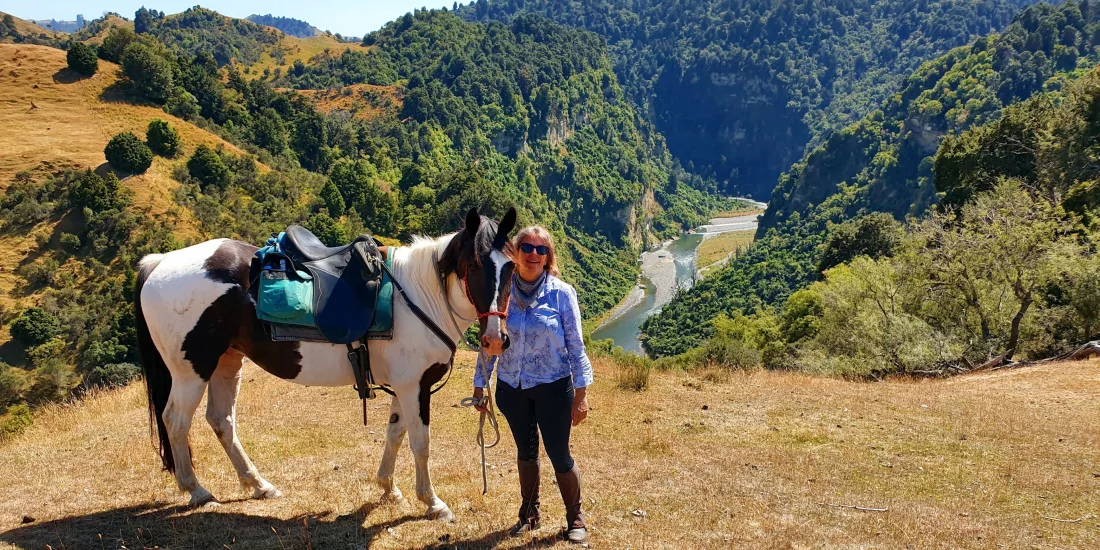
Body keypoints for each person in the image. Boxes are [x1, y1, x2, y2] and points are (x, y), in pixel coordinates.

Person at [471, 225, 594, 543]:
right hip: (511, 388)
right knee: (525, 452)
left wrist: (581, 395)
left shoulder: (562, 293)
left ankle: (575, 518)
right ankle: (529, 514)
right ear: (516, 252)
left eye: (542, 249)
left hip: (553, 387)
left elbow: (577, 347)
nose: (534, 254)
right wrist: (479, 386)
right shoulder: (502, 291)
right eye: (527, 247)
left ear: (549, 256)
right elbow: (489, 339)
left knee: (559, 453)